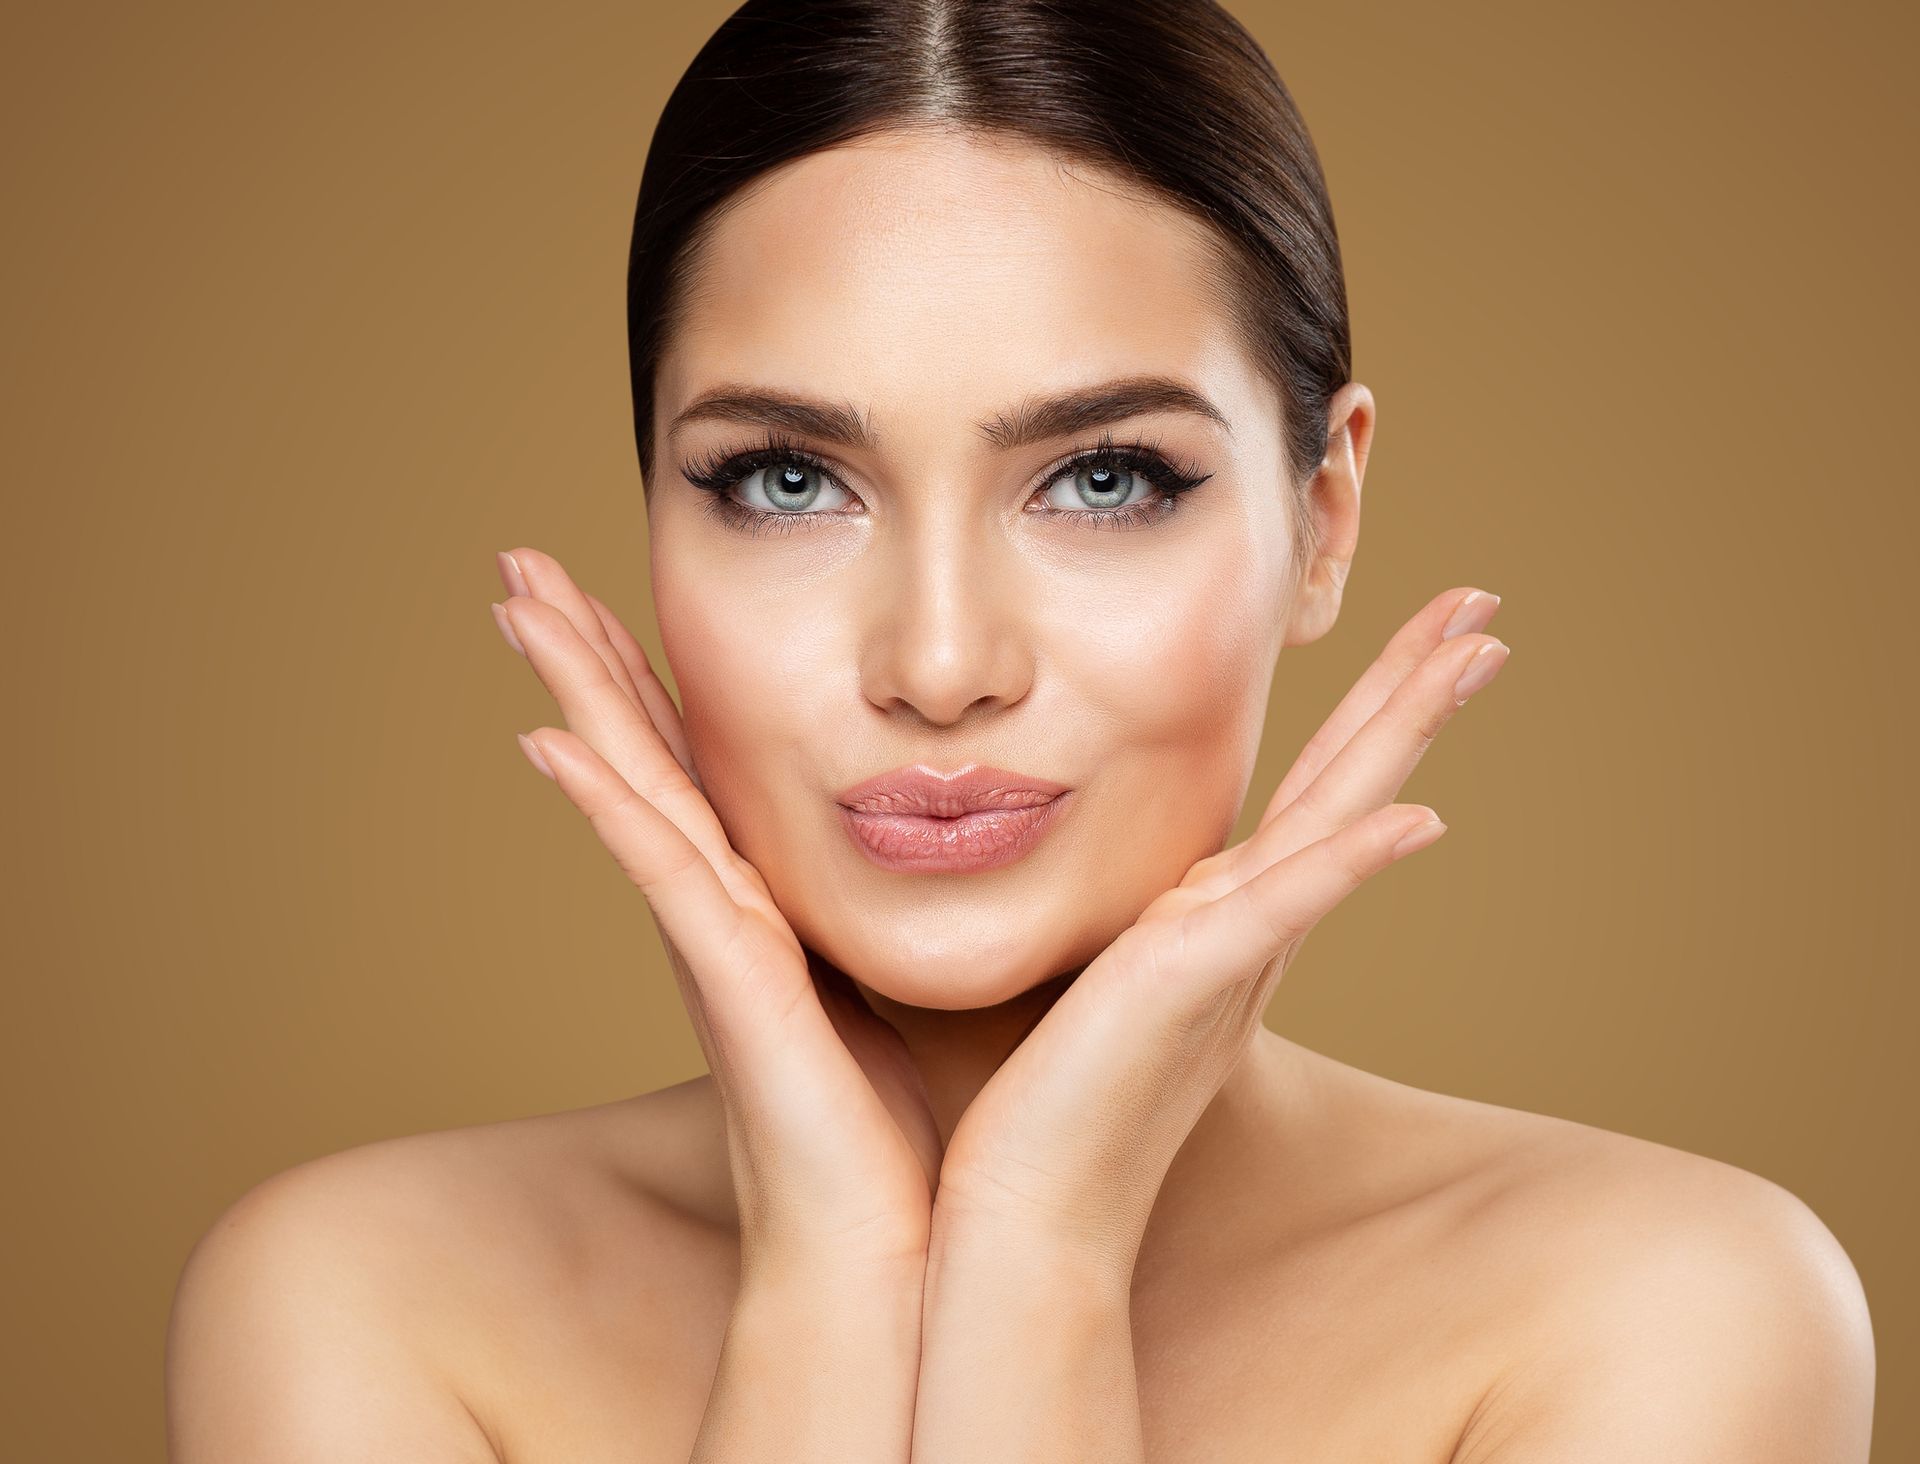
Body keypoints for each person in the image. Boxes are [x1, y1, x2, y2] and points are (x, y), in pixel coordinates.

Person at [164, 1, 1875, 1458]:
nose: (938, 658)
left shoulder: (1661, 1310)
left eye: (1104, 478)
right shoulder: (366, 1302)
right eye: (786, 480)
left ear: (1325, 515)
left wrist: (1038, 1256)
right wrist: (832, 1276)